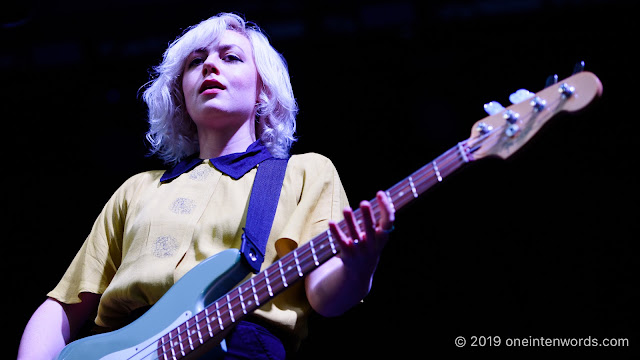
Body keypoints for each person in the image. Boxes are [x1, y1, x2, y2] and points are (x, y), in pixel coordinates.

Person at [17, 12, 395, 360]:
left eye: (230, 58)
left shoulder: (306, 173)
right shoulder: (137, 190)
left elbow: (325, 299)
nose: (210, 65)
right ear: (181, 94)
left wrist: (361, 264)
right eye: (196, 62)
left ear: (262, 91)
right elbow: (60, 308)